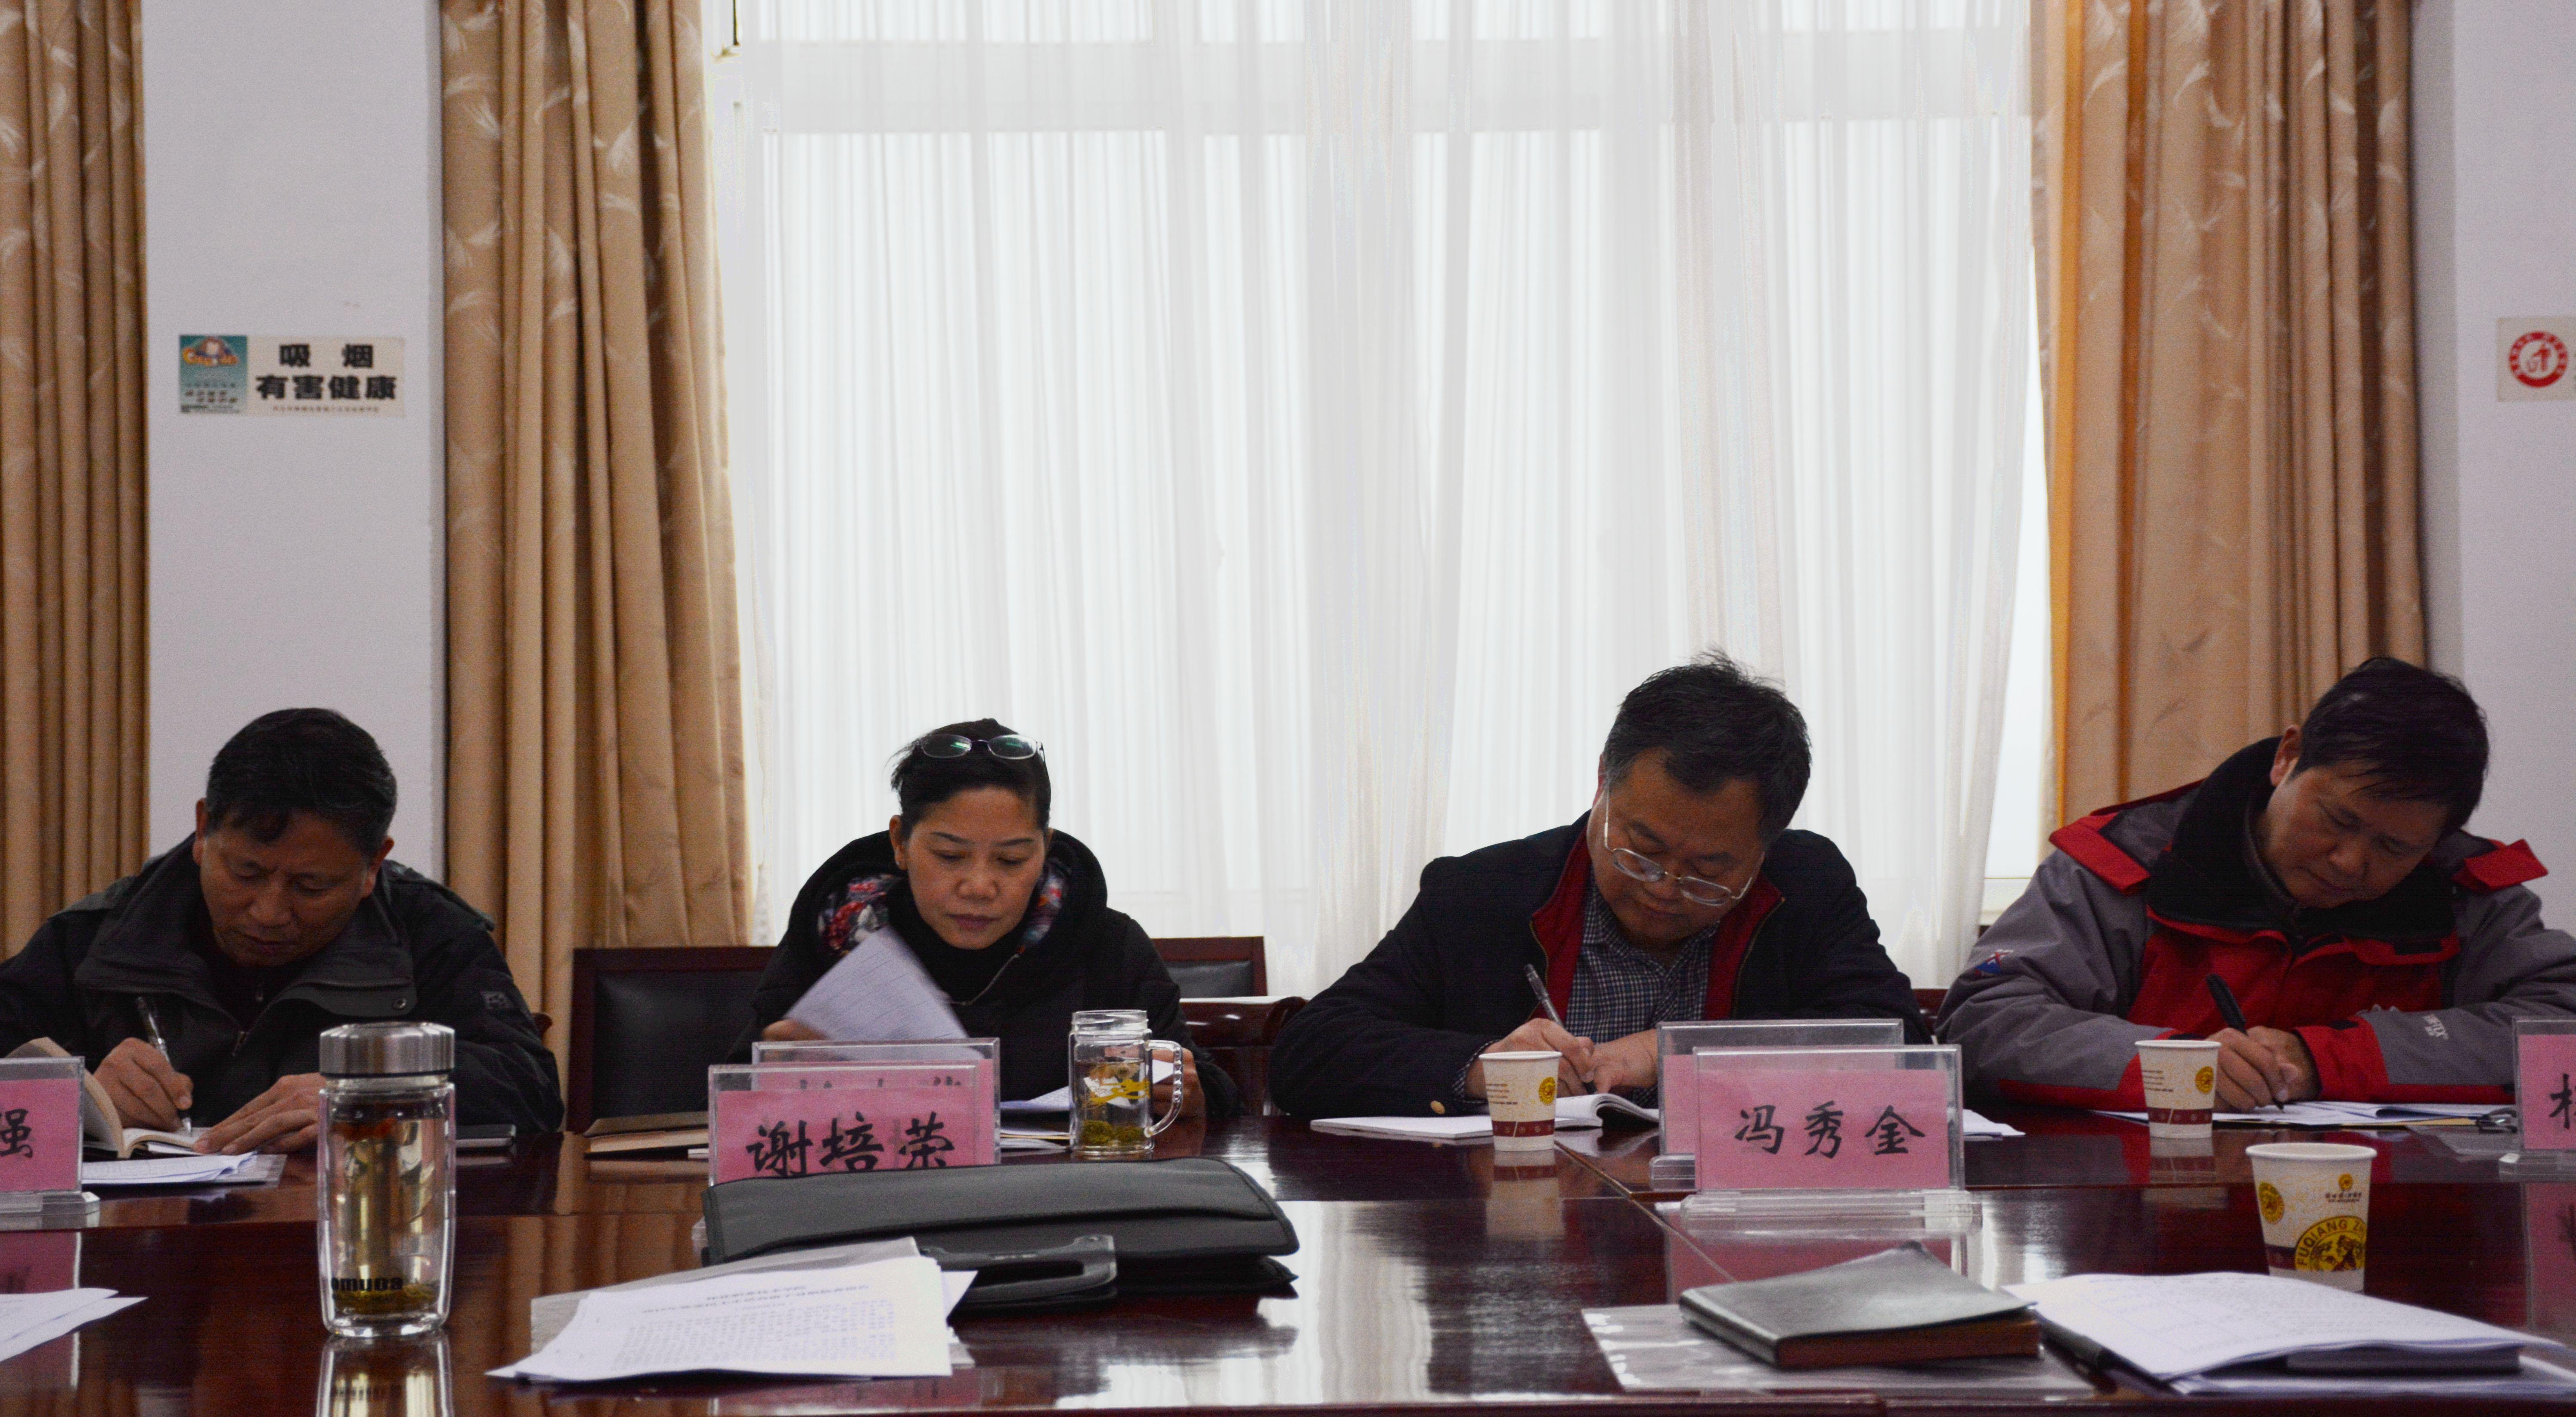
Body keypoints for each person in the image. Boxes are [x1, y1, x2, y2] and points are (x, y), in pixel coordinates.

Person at [1270, 652, 1926, 1119]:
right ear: (1600, 785)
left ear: (1764, 846)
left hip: (1734, 1224)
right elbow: (1309, 1053)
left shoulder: (1803, 887)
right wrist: (1485, 1067)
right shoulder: (1481, 894)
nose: (1664, 888)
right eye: (1641, 850)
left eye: (1708, 870)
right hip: (1523, 1231)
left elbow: (1900, 1045)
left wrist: (1677, 1053)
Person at [1938, 657, 2576, 1109]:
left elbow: (2559, 1024)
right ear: (2286, 757)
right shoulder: (2123, 864)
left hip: (2406, 1215)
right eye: (2337, 820)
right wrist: (2173, 1067)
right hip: (2141, 1208)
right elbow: (1987, 1018)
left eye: (2394, 847)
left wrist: (2327, 1058)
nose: (2348, 863)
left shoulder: (2465, 893)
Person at [0, 709, 562, 1152]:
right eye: (246, 873)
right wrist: (76, 1098)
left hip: (347, 1232)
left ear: (373, 865)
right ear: (203, 830)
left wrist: (368, 1097)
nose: (269, 913)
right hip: (138, 1246)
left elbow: (530, 1089)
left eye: (310, 886)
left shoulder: (426, 935)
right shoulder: (98, 937)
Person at [745, 720, 1238, 1119]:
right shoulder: (836, 936)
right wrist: (772, 1067)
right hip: (891, 1199)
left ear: (1044, 848)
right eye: (949, 856)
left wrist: (1181, 1092)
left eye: (1010, 860)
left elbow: (1211, 1094)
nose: (979, 886)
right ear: (900, 842)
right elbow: (729, 1098)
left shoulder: (1106, 944)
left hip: (1063, 1197)